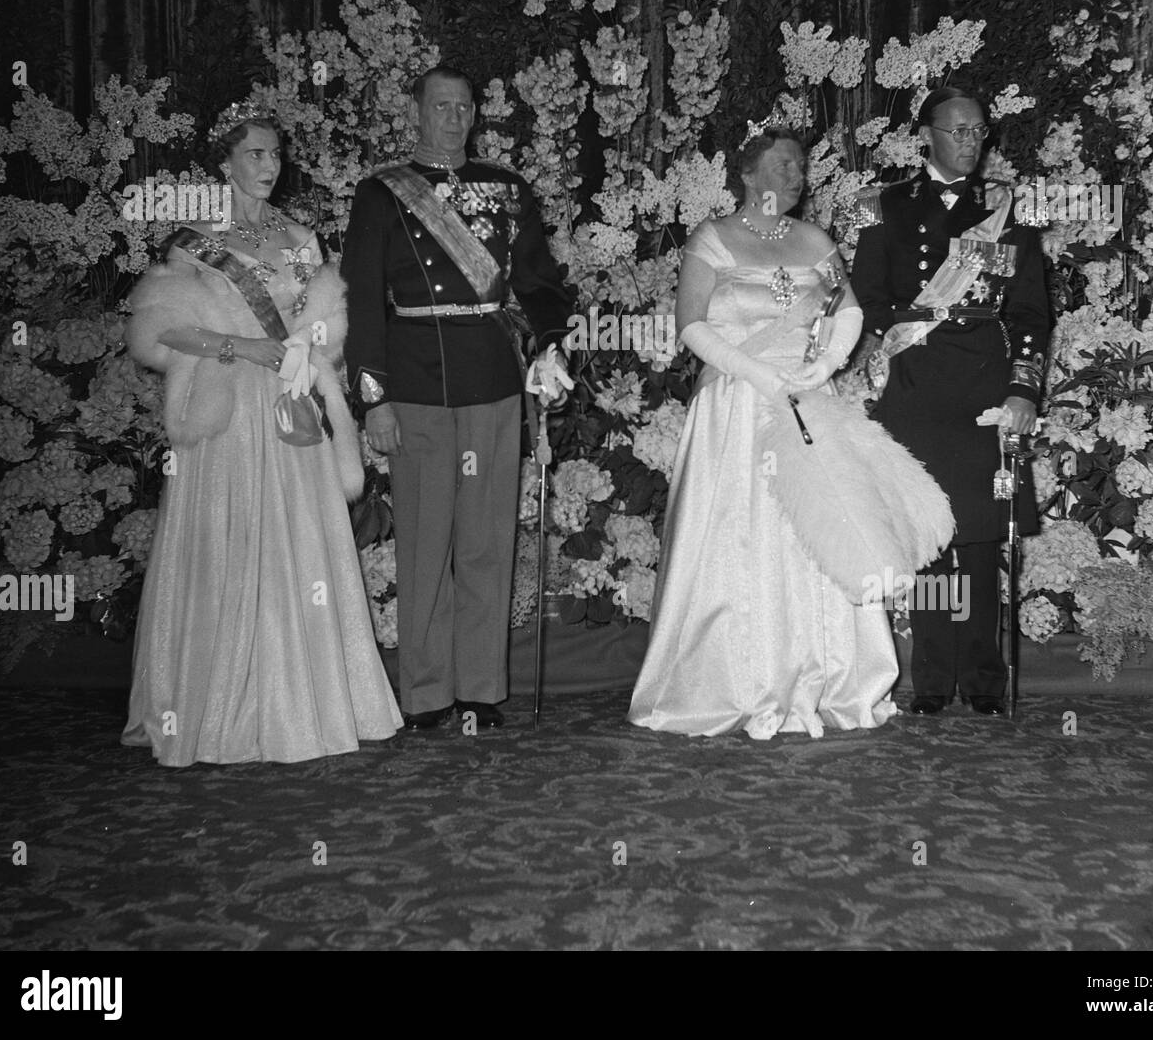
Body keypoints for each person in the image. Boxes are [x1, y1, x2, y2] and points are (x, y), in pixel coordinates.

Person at [627, 128, 954, 740]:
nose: (796, 174)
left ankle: (828, 677)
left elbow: (849, 309)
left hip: (806, 402)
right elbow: (690, 326)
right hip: (736, 406)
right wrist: (760, 377)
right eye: (782, 164)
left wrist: (824, 366)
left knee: (816, 533)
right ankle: (732, 680)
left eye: (801, 165)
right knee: (739, 534)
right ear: (749, 176)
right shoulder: (714, 238)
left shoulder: (813, 241)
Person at [122, 103, 403, 766]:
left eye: (275, 154)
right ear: (223, 162)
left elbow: (326, 318)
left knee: (300, 542)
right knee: (228, 540)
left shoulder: (300, 242)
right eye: (254, 154)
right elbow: (161, 331)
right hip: (226, 413)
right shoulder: (193, 244)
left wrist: (305, 348)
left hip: (290, 401)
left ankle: (305, 700)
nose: (268, 166)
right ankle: (215, 704)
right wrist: (244, 350)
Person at [341, 66, 574, 732]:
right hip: (412, 384)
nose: (453, 117)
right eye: (440, 105)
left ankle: (479, 687)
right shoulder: (381, 195)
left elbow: (538, 280)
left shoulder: (506, 189)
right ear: (416, 111)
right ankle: (424, 692)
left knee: (486, 540)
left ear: (476, 114)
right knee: (424, 540)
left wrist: (551, 343)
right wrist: (373, 397)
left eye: (464, 106)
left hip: (492, 378)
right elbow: (362, 298)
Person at [850, 87, 1051, 716]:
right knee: (928, 532)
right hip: (914, 386)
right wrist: (909, 326)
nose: (971, 141)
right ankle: (933, 680)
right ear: (927, 136)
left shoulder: (1005, 214)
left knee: (984, 537)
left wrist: (1022, 389)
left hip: (983, 389)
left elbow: (1028, 315)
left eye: (979, 130)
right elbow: (865, 297)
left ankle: (984, 680)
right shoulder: (882, 206)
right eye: (958, 130)